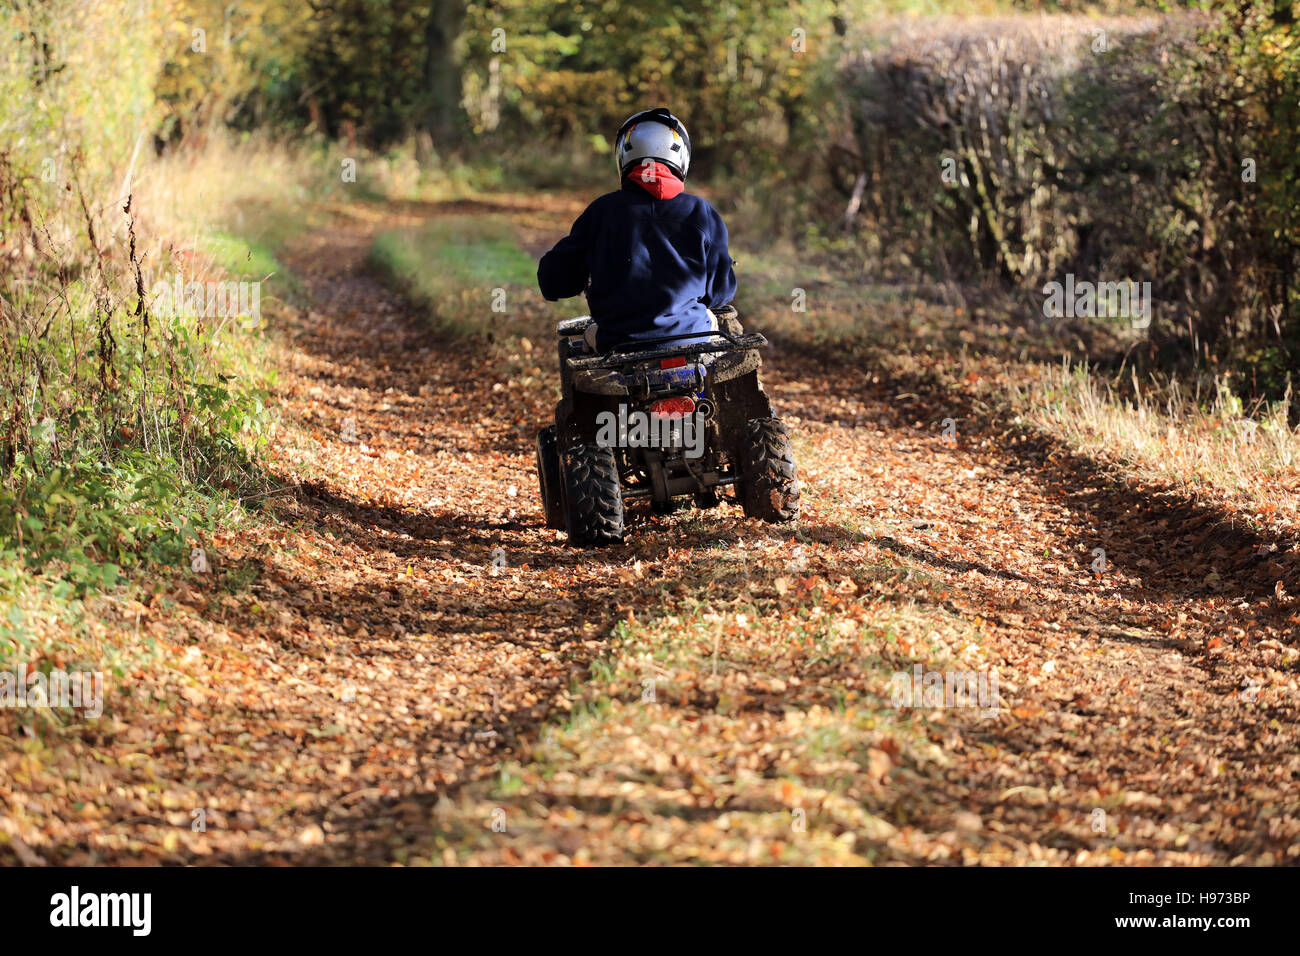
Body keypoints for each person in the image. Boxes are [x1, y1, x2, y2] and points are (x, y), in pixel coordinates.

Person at [537, 107, 738, 353]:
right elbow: (721, 293)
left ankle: (593, 394)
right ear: (681, 157)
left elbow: (554, 283)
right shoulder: (701, 212)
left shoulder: (601, 212)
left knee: (578, 347)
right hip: (690, 338)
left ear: (624, 156)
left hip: (618, 343)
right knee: (724, 330)